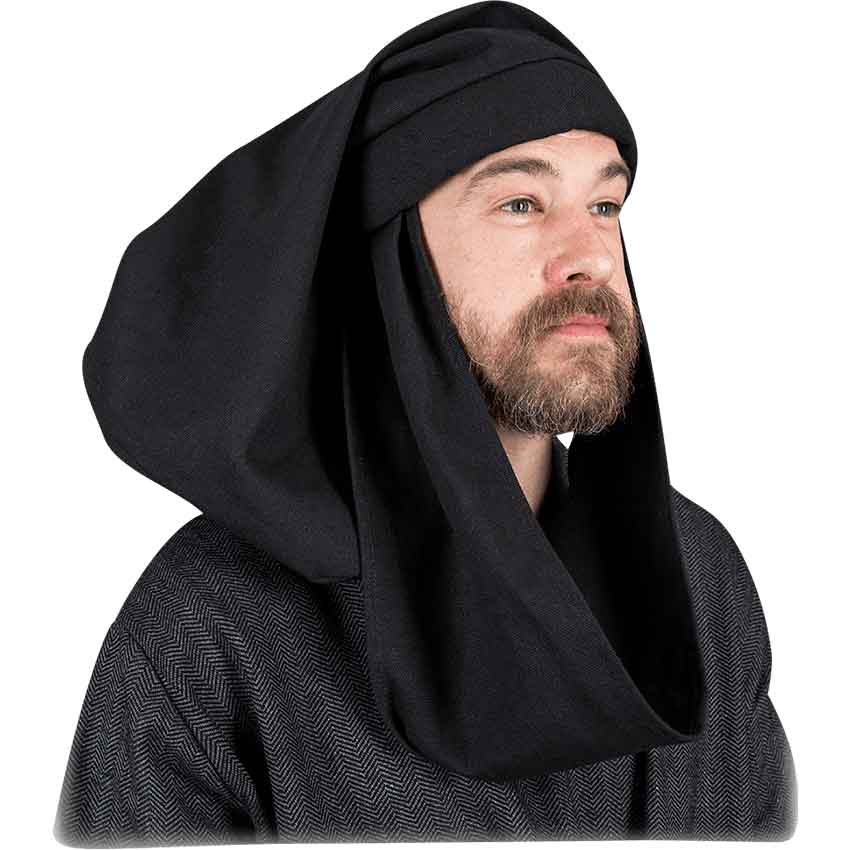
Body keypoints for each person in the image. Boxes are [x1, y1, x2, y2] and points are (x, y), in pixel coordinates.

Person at [53, 2, 798, 846]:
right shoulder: (210, 626)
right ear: (392, 258)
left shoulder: (698, 577)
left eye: (605, 205)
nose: (592, 256)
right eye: (521, 203)